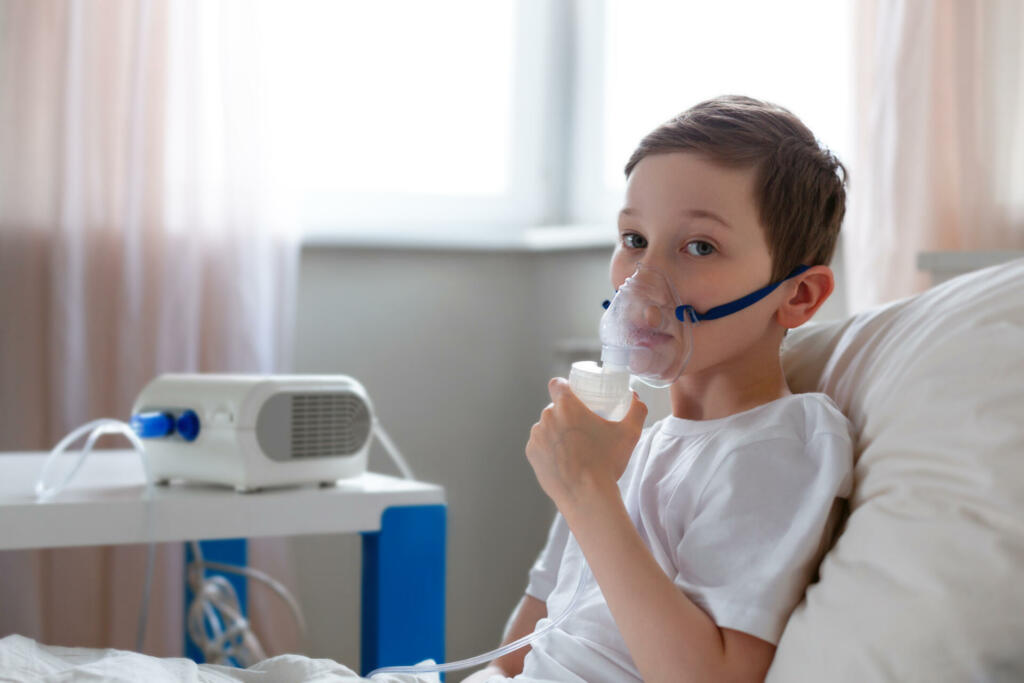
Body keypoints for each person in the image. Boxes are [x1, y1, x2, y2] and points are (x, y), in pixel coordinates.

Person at [463, 95, 854, 683]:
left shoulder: (780, 444)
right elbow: (524, 644)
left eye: (700, 246)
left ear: (797, 295)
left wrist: (587, 492)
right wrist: (588, 485)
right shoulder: (624, 448)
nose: (643, 279)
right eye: (634, 239)